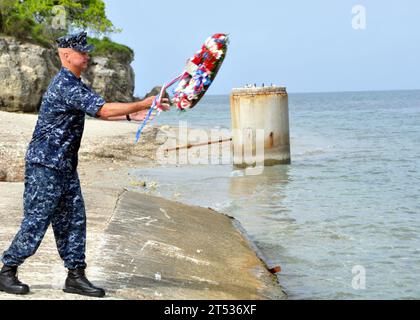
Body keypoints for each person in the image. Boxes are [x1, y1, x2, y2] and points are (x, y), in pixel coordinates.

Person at [0, 31, 169, 298]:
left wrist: (132, 115)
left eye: (87, 51)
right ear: (66, 55)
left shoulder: (76, 84)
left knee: (74, 221)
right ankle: (7, 271)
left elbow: (97, 110)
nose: (87, 55)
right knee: (36, 221)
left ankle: (75, 277)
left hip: (64, 166)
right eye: (82, 52)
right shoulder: (65, 85)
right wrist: (144, 102)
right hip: (45, 165)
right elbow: (102, 109)